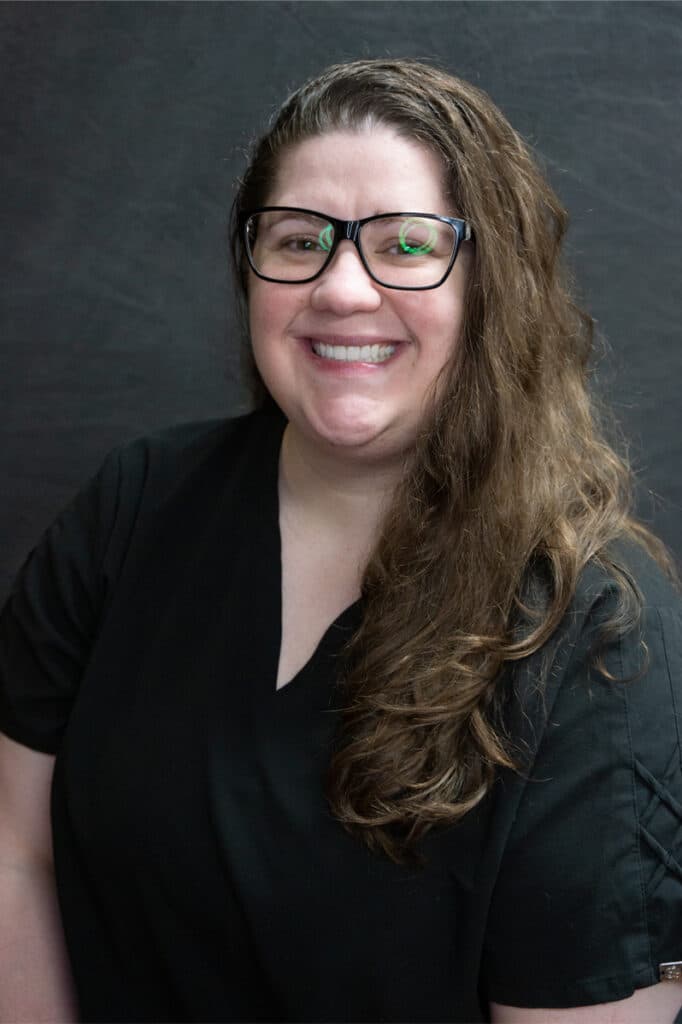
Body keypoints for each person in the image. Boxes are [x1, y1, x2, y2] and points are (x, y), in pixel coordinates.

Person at [0, 57, 680, 1024]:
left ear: (496, 284)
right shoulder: (136, 505)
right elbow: (13, 850)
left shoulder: (591, 628)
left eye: (406, 245)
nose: (342, 287)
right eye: (299, 240)